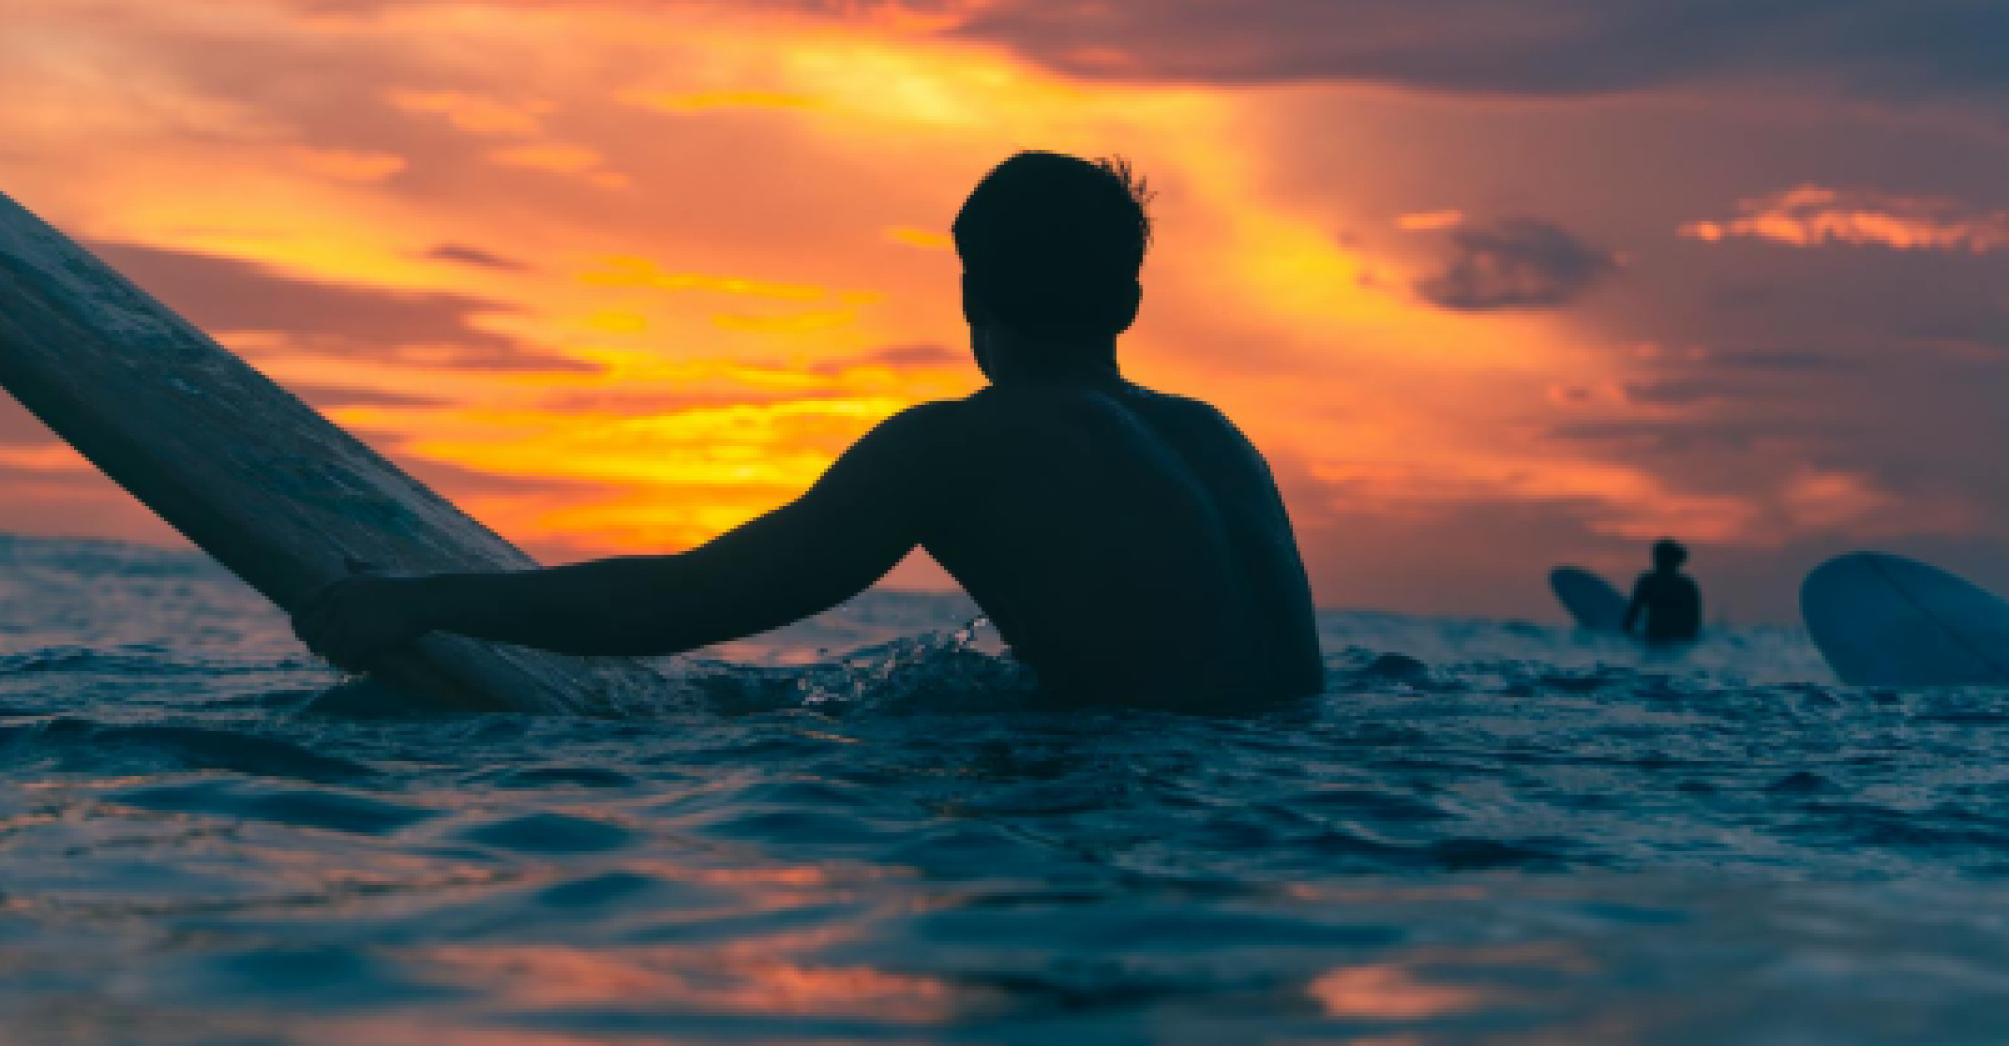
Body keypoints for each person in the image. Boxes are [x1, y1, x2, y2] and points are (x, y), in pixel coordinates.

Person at [296, 152, 1325, 714]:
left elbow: (696, 599)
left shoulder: (964, 443)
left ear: (971, 292)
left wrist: (423, 602)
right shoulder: (1219, 441)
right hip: (1281, 807)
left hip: (1138, 792)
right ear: (1130, 301)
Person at [1623, 538, 1702, 642]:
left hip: (1655, 639)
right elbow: (1695, 620)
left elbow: (1633, 613)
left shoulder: (1648, 581)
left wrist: (1625, 634)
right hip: (1679, 643)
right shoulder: (1687, 585)